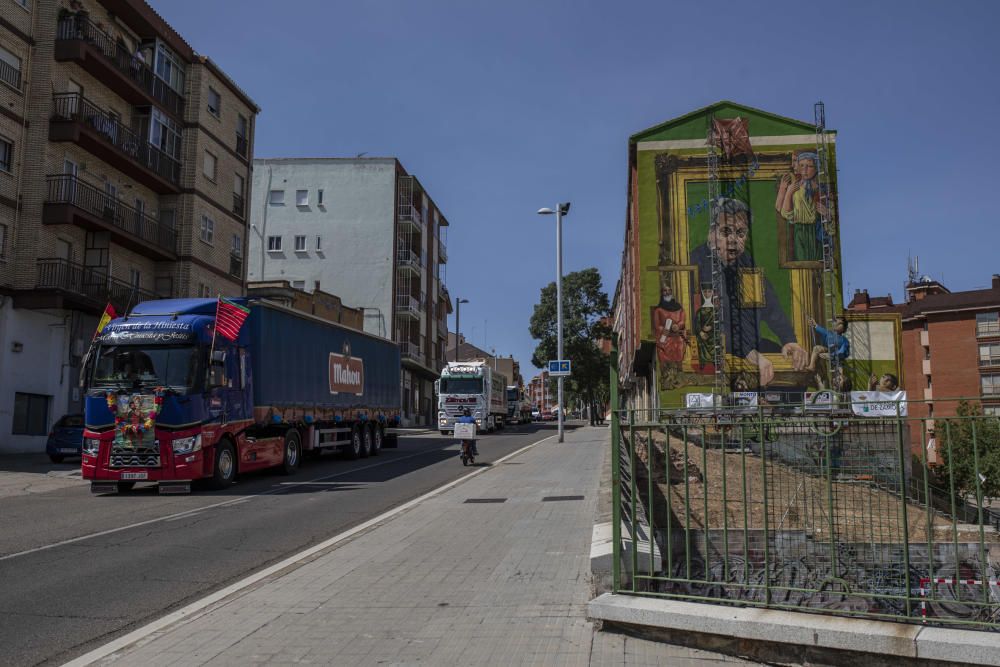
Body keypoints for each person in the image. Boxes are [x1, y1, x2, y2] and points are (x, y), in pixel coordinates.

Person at [689, 197, 807, 387]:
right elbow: (708, 323)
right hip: (713, 350)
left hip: (750, 345)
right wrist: (749, 354)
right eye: (726, 231)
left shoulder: (746, 264)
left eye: (741, 233)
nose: (734, 240)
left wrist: (789, 340)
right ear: (711, 233)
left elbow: (771, 307)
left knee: (794, 375)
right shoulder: (697, 264)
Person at [775, 151, 829, 262]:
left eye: (809, 166)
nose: (804, 169)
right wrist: (788, 193)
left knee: (816, 261)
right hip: (800, 232)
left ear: (816, 168)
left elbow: (828, 214)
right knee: (802, 261)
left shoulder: (820, 190)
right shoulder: (795, 188)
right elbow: (786, 214)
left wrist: (827, 214)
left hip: (815, 234)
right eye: (802, 165)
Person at [652, 283, 686, 388]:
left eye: (669, 290)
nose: (667, 293)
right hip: (665, 338)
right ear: (662, 293)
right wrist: (667, 328)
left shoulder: (679, 308)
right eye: (665, 291)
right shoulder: (658, 310)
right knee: (664, 352)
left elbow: (682, 321)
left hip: (677, 336)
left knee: (680, 347)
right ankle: (666, 380)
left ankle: (679, 375)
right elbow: (657, 326)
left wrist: (678, 326)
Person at [806, 316, 850, 388]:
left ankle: (837, 389)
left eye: (840, 323)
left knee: (837, 377)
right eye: (836, 322)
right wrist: (815, 325)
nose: (836, 324)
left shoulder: (843, 340)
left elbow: (844, 352)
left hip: (837, 360)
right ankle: (812, 366)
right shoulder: (829, 333)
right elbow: (822, 330)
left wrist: (832, 355)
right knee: (817, 348)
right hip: (827, 351)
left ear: (843, 328)